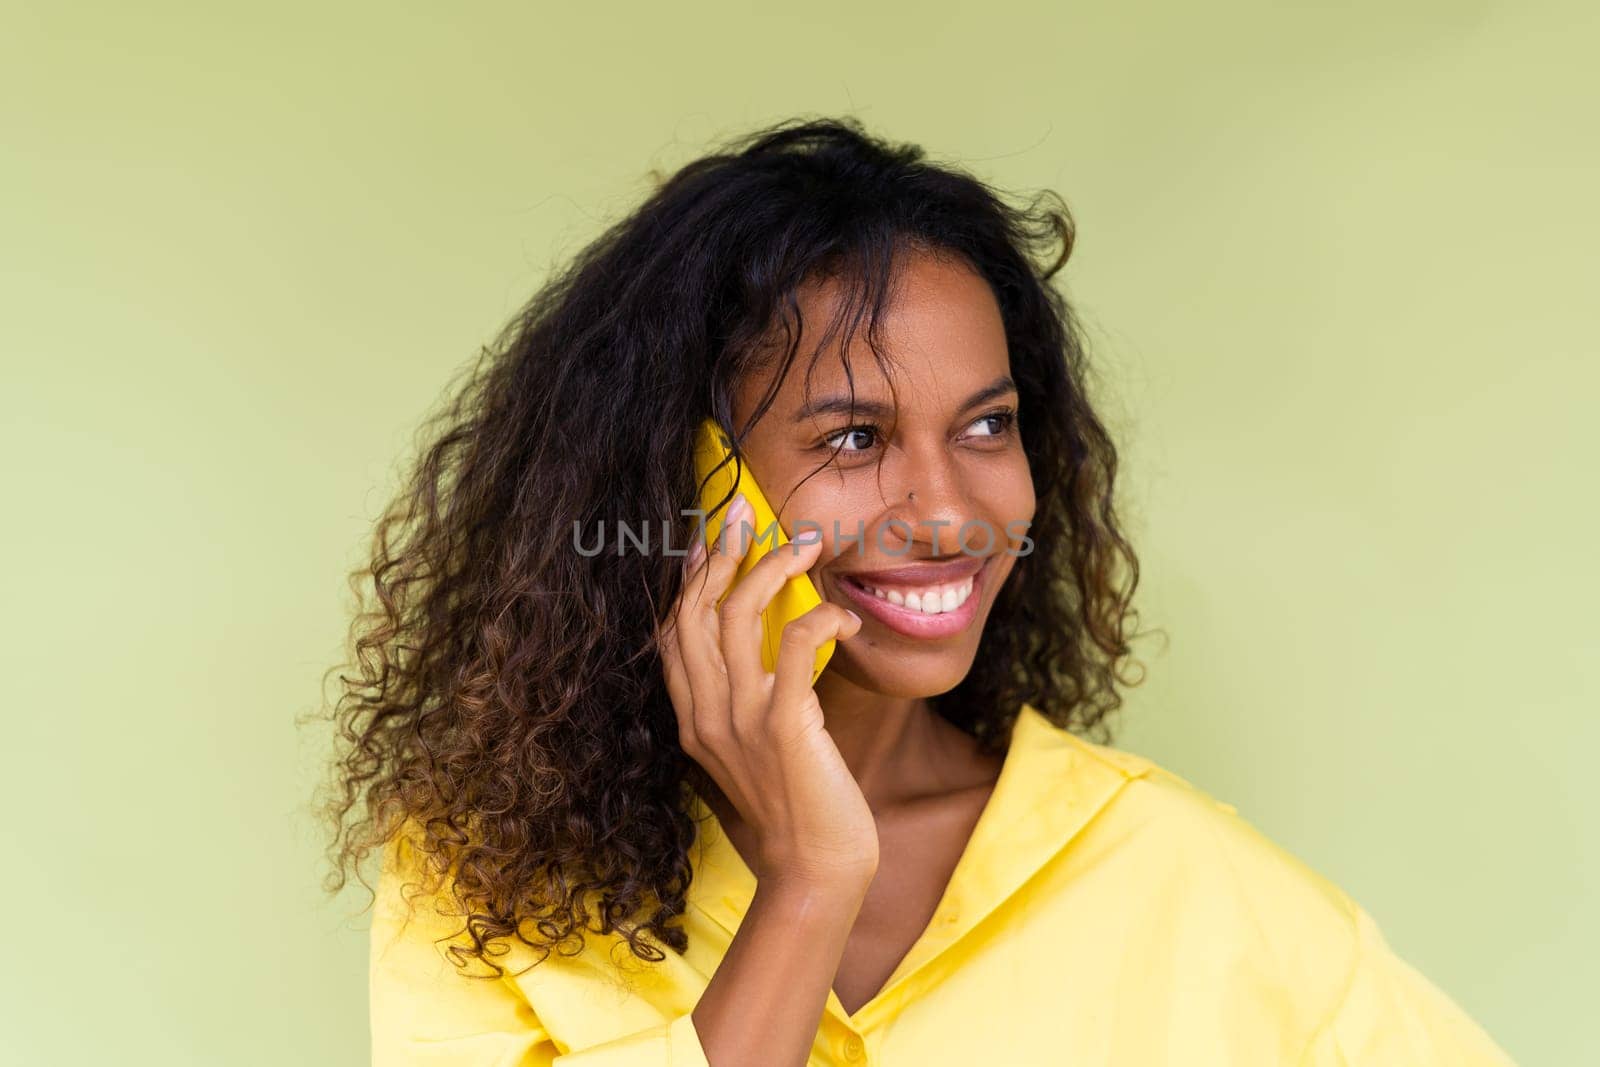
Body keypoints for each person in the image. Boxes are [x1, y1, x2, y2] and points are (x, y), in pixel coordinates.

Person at [317, 116, 1516, 1065]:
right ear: (684, 477)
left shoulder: (1204, 893)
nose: (947, 511)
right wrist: (811, 884)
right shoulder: (488, 885)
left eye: (986, 425)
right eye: (851, 437)